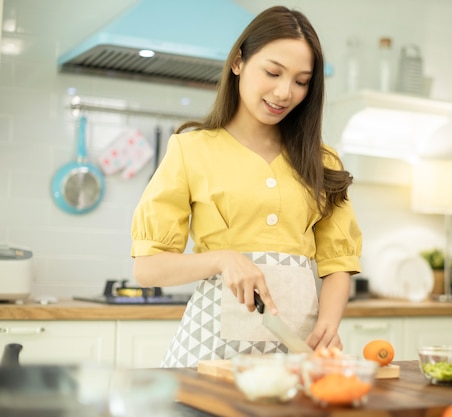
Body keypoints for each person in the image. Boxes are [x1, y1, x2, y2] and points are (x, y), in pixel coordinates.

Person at [130, 5, 362, 367]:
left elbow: (338, 262)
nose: (285, 92)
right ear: (238, 61)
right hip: (208, 355)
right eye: (272, 72)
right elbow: (148, 268)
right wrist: (223, 259)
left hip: (295, 352)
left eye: (302, 81)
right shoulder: (191, 149)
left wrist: (329, 323)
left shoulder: (322, 160)